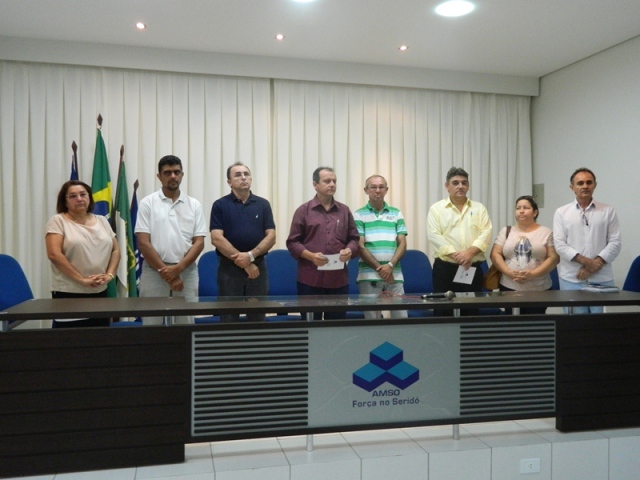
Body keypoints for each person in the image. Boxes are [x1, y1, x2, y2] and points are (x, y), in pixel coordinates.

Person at [135, 155, 207, 324]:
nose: (173, 176)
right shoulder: (147, 203)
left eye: (176, 172)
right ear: (159, 176)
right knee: (152, 324)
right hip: (154, 271)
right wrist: (168, 273)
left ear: (182, 175)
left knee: (185, 325)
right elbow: (143, 242)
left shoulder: (194, 204)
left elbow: (199, 242)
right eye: (167, 173)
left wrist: (178, 269)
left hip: (187, 271)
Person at [286, 166, 359, 320]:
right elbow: (293, 242)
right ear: (315, 185)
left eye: (334, 181)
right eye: (327, 181)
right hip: (310, 279)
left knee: (336, 327)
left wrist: (349, 250)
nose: (332, 184)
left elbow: (354, 239)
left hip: (338, 280)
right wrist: (311, 256)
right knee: (311, 326)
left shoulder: (344, 211)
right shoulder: (303, 211)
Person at [45, 180, 120, 328]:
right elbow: (54, 254)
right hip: (70, 292)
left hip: (99, 290)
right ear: (65, 201)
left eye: (83, 194)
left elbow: (116, 250)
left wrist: (110, 275)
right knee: (71, 338)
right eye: (73, 196)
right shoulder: (58, 221)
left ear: (89, 197)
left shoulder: (102, 221)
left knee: (98, 336)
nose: (79, 199)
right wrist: (82, 280)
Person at [210, 162, 276, 322]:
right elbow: (216, 238)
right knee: (228, 318)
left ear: (251, 179)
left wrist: (251, 256)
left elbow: (271, 236)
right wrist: (245, 263)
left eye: (246, 174)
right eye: (238, 175)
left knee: (257, 317)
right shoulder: (220, 205)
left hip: (258, 269)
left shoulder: (263, 204)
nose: (243, 177)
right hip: (229, 269)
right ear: (229, 182)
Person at [553, 167, 621, 314]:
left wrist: (593, 266)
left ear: (595, 185)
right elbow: (559, 244)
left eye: (589, 182)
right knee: (575, 325)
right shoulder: (561, 213)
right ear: (572, 187)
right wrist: (587, 262)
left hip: (602, 279)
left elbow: (615, 243)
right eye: (580, 183)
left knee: (601, 324)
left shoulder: (608, 211)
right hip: (572, 279)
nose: (585, 186)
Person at [427, 166, 493, 316]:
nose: (460, 186)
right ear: (447, 186)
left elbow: (486, 232)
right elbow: (434, 235)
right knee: (443, 312)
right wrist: (460, 256)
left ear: (468, 186)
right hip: (445, 269)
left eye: (464, 183)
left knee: (470, 312)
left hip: (472, 268)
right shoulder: (436, 209)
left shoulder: (479, 208)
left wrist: (469, 254)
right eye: (455, 183)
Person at [489, 195, 559, 314]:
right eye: (518, 208)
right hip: (509, 286)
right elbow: (495, 254)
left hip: (539, 288)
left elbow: (554, 258)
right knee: (512, 321)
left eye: (526, 208)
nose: (521, 211)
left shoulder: (546, 232)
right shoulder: (506, 231)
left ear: (535, 212)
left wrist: (532, 274)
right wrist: (509, 272)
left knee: (534, 322)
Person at [353, 174, 408, 319]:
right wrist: (381, 269)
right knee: (373, 321)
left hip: (394, 274)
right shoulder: (359, 215)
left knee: (401, 318)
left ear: (386, 190)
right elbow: (360, 246)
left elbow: (402, 243)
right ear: (366, 190)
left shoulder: (396, 213)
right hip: (368, 275)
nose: (377, 190)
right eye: (373, 187)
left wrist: (390, 266)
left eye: (381, 187)